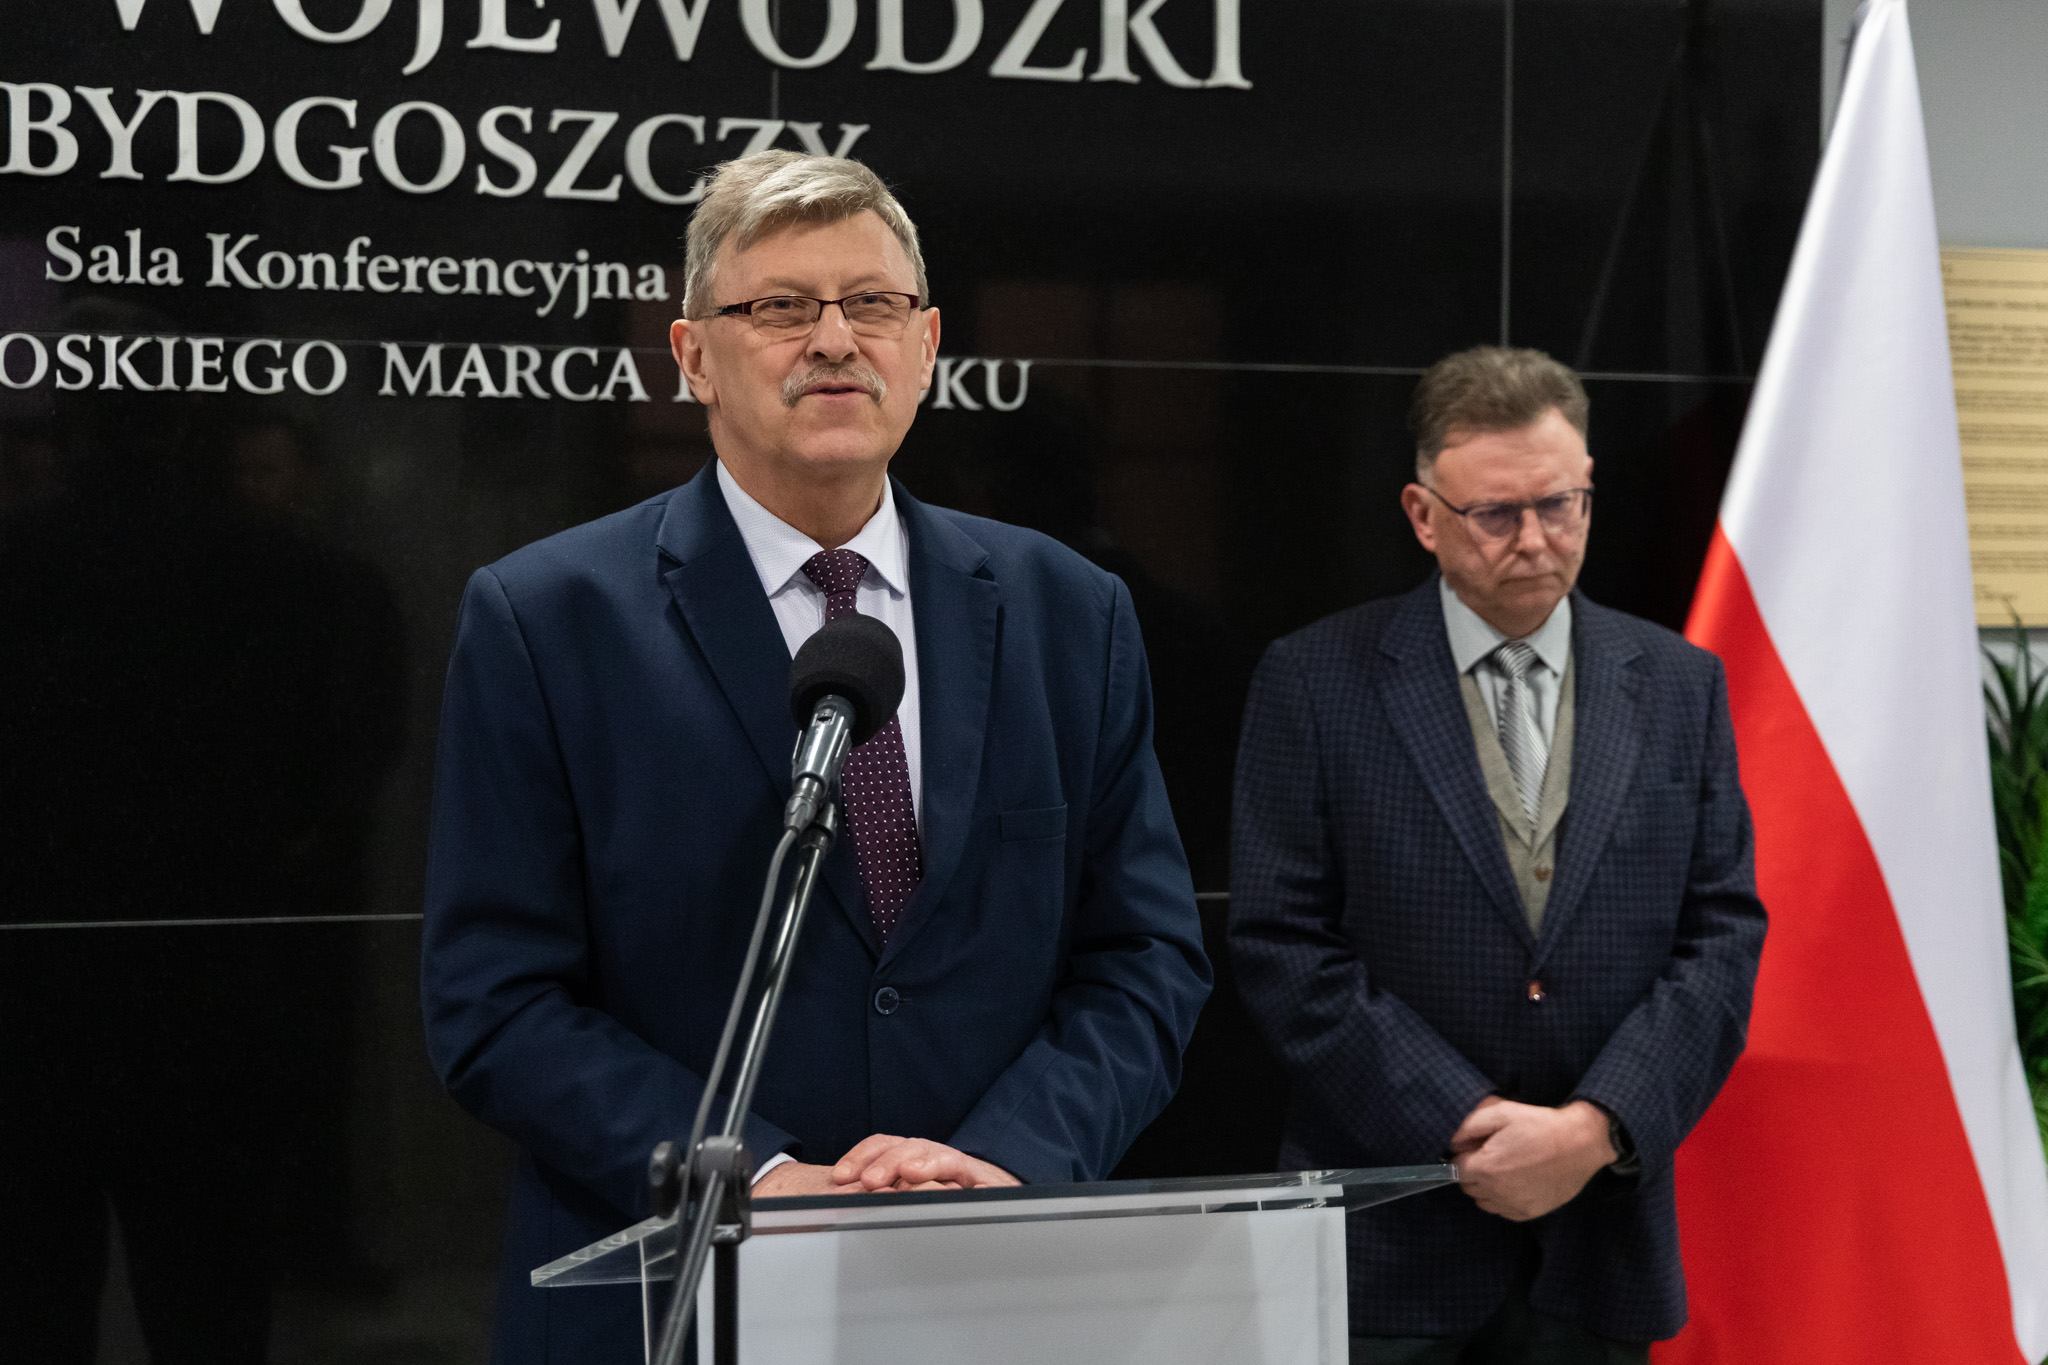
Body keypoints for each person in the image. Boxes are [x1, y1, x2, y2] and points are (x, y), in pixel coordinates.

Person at [420, 150, 1210, 1364]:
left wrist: (1008, 1156)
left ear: (926, 343)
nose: (834, 340)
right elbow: (496, 999)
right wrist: (757, 1171)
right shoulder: (549, 618)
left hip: (988, 1286)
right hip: (672, 1290)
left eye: (872, 304)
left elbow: (1143, 955)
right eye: (781, 307)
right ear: (692, 355)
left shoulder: (1068, 610)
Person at [1228, 346, 1766, 1364]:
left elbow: (1721, 936)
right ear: (1423, 515)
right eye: (1495, 514)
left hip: (1600, 1242)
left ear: (1588, 487)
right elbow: (1281, 943)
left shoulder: (1678, 684)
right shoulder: (1314, 681)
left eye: (1559, 505)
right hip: (1394, 1241)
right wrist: (1463, 1119)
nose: (1534, 539)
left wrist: (1594, 1129)